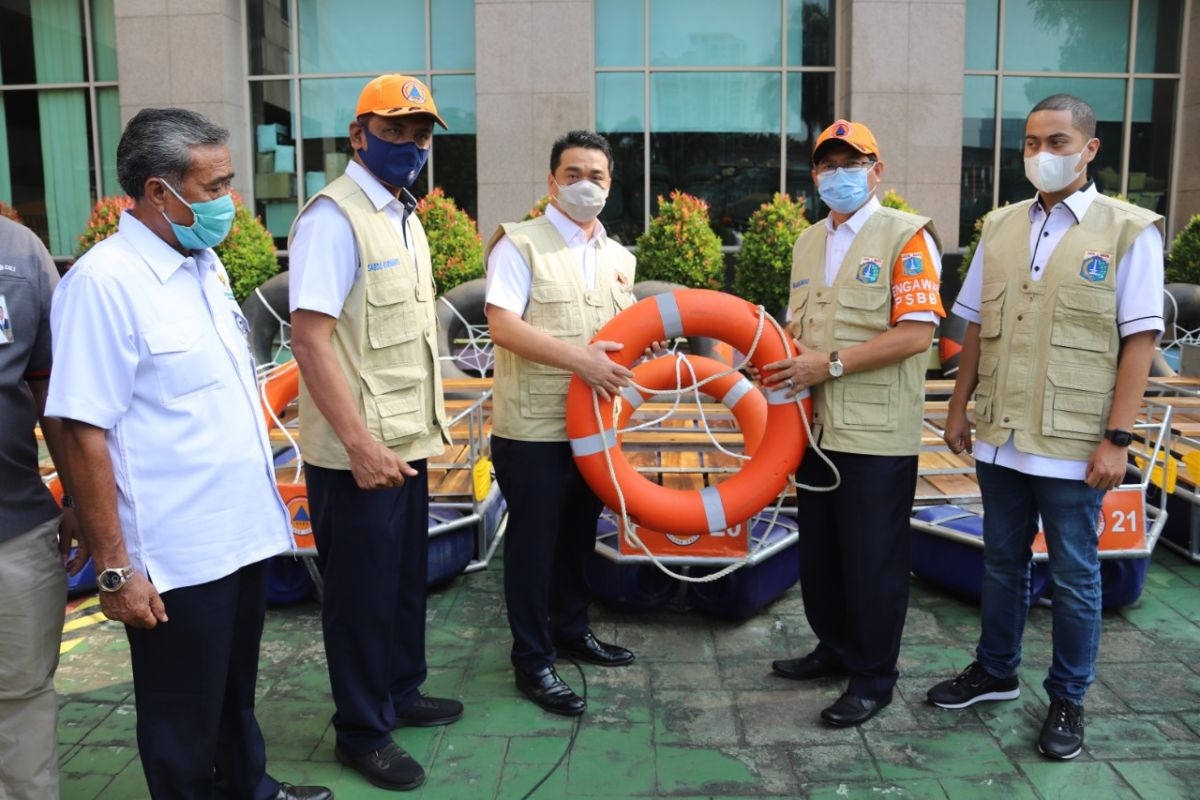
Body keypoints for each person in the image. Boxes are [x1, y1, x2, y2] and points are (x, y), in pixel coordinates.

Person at [45, 108, 330, 800]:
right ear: (156, 192)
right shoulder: (104, 284)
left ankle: (251, 789)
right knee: (181, 725)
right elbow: (82, 430)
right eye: (214, 187)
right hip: (173, 558)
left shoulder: (201, 266)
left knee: (233, 698)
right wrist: (116, 569)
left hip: (238, 536)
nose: (229, 203)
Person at [926, 94, 1164, 760]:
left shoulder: (1127, 231)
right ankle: (996, 670)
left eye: (1057, 142)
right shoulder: (1001, 226)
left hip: (1074, 440)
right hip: (1000, 433)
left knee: (1075, 574)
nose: (1042, 155)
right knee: (1001, 563)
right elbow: (973, 323)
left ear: (1089, 150)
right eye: (1032, 143)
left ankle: (1068, 698)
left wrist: (1117, 439)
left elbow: (1140, 341)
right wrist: (955, 405)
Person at [288, 74, 461, 792]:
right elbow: (310, 339)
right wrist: (358, 443)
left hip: (406, 439)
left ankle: (399, 688)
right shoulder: (334, 217)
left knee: (400, 582)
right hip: (358, 451)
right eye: (394, 130)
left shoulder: (402, 213)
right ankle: (362, 728)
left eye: (420, 133)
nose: (411, 145)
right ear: (358, 134)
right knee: (360, 594)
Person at [764, 119, 945, 726]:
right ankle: (834, 648)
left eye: (852, 162)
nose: (838, 173)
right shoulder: (808, 242)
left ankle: (873, 676)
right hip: (815, 429)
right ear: (815, 175)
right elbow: (800, 329)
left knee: (873, 559)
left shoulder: (907, 237)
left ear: (877, 169)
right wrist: (777, 354)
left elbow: (917, 335)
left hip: (875, 432)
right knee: (824, 553)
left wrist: (830, 364)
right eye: (827, 164)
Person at [485, 130, 639, 717]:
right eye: (572, 174)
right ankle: (533, 659)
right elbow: (503, 324)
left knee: (579, 532)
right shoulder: (520, 245)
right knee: (533, 544)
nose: (584, 185)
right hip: (533, 431)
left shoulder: (620, 258)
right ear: (552, 182)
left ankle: (573, 630)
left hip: (593, 430)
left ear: (609, 184)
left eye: (596, 176)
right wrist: (581, 361)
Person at [0, 215, 87, 799]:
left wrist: (78, 496)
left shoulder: (17, 250)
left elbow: (50, 387)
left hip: (14, 526)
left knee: (22, 693)